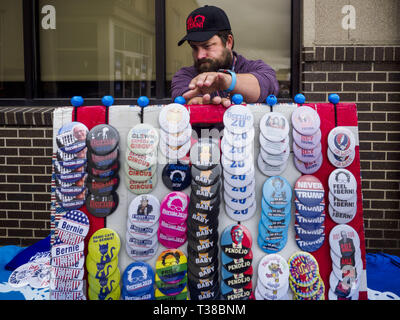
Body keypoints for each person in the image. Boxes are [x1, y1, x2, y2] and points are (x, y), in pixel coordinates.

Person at [171, 5, 279, 107]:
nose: (199, 56)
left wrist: (227, 81)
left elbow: (268, 86)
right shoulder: (185, 76)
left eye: (207, 46)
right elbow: (186, 98)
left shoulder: (255, 68)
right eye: (194, 47)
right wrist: (202, 105)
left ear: (228, 42)